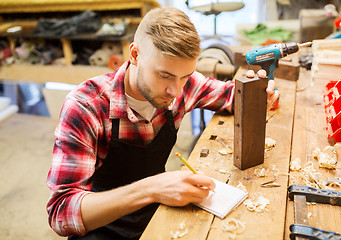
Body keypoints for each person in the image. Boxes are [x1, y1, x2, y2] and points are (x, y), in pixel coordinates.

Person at [46, 7, 279, 240]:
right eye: (164, 76)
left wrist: (258, 95)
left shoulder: (182, 85)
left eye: (185, 76)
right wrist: (151, 189)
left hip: (156, 208)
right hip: (100, 225)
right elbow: (61, 214)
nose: (175, 90)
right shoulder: (86, 106)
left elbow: (230, 96)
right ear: (135, 55)